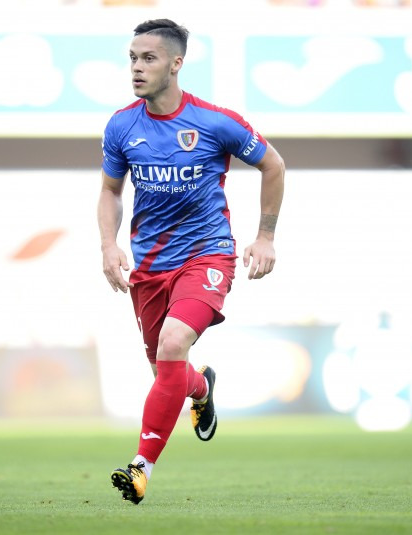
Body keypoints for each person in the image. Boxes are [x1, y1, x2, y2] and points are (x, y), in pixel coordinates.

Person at [97, 18, 285, 504]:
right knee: (167, 370)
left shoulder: (215, 122)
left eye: (149, 58)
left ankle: (141, 469)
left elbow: (273, 164)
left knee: (173, 342)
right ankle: (201, 388)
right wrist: (108, 245)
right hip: (150, 268)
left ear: (176, 64)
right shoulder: (121, 126)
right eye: (132, 58)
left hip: (207, 254)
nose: (137, 68)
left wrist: (265, 237)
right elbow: (111, 191)